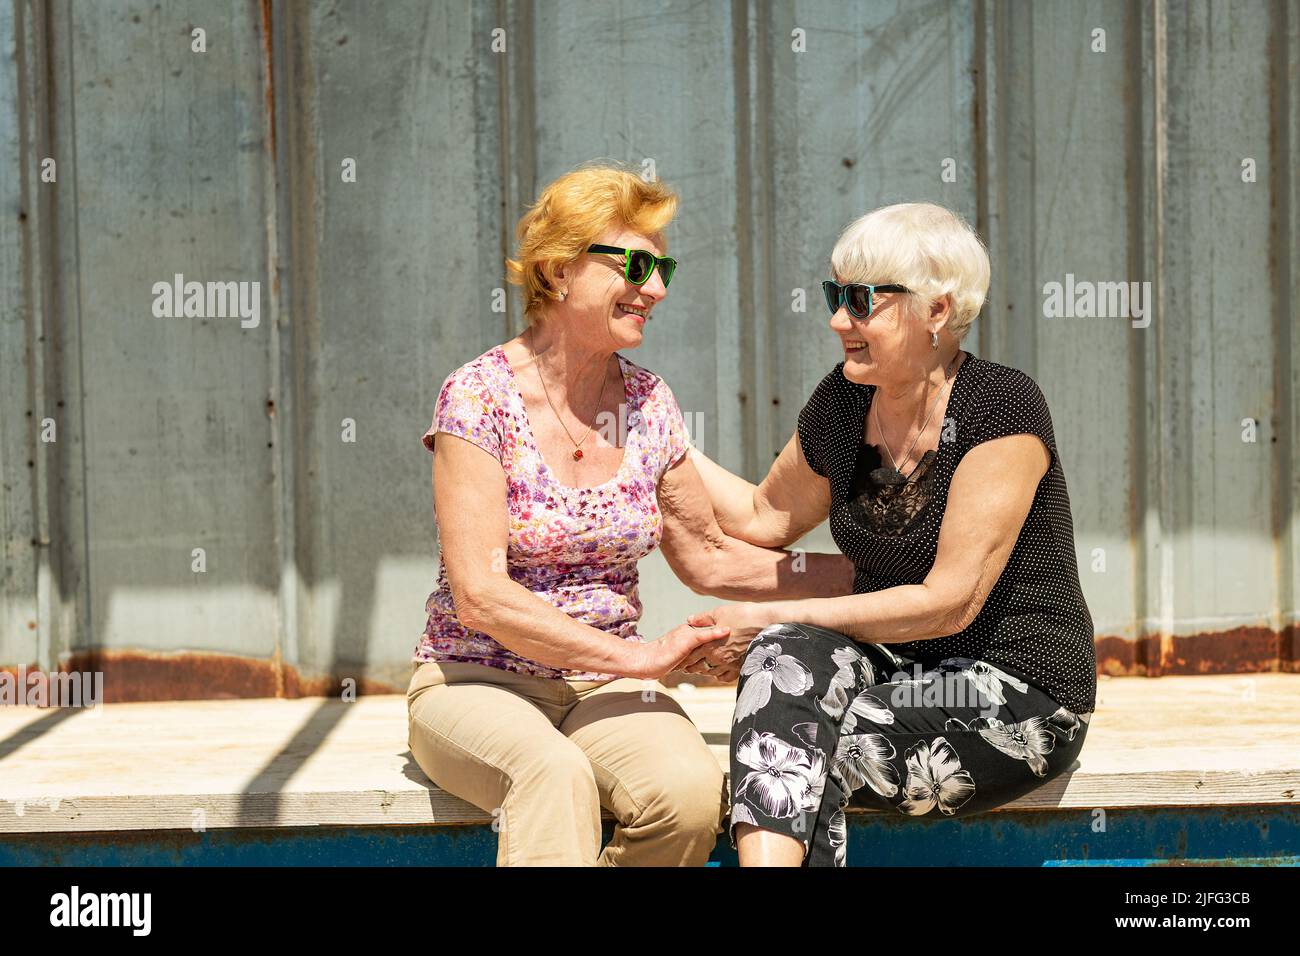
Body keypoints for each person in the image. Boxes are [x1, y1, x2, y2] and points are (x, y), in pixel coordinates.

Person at [407, 162, 853, 866]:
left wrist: (877, 578)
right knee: (553, 776)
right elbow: (482, 596)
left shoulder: (647, 404)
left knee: (685, 795)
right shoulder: (478, 397)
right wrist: (641, 658)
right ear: (558, 271)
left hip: (604, 688)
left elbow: (708, 554)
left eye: (663, 265)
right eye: (638, 264)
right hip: (475, 679)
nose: (657, 288)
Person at [682, 202, 1097, 866]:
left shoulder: (1000, 406)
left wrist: (759, 615)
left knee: (813, 743)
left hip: (1016, 689)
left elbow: (949, 601)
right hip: (896, 667)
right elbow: (764, 517)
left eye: (859, 300)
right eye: (833, 295)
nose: (836, 319)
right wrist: (660, 439)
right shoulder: (844, 403)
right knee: (780, 664)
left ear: (937, 310)